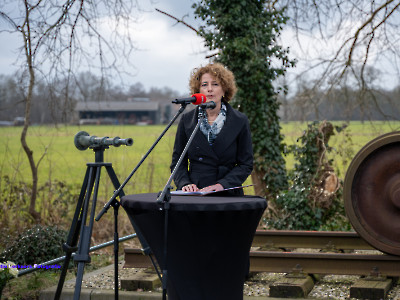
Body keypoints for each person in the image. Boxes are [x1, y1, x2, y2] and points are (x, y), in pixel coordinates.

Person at [170, 63, 253, 195]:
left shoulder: (240, 121)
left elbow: (246, 164)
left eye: (215, 84)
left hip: (227, 194)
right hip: (196, 195)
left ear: (224, 89)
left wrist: (223, 185)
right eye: (204, 85)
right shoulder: (186, 121)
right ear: (198, 91)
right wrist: (185, 184)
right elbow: (178, 163)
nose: (209, 89)